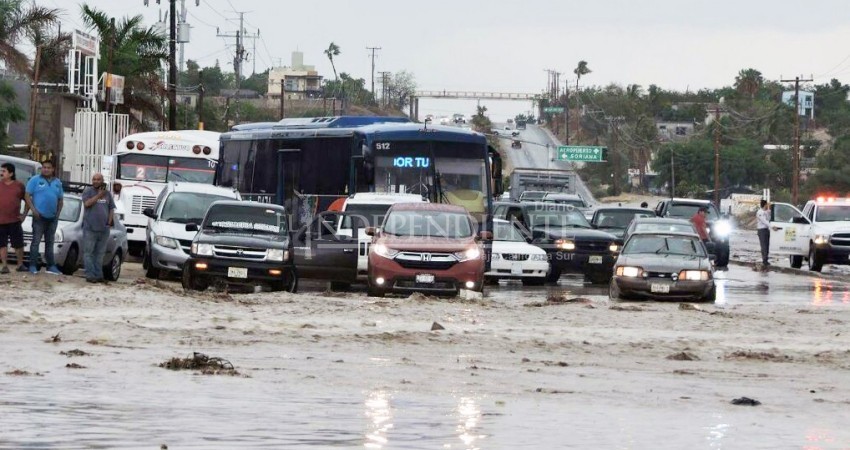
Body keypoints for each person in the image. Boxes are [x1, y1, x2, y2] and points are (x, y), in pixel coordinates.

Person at [25, 159, 63, 275]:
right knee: (36, 242)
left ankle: (51, 266)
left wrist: (57, 214)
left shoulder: (57, 182)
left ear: (53, 169)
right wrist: (33, 210)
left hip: (52, 218)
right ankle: (32, 265)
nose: (46, 169)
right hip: (39, 217)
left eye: (48, 167)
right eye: (44, 167)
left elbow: (60, 199)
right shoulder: (35, 180)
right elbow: (27, 196)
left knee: (50, 242)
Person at [81, 173, 115, 283]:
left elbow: (111, 208)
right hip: (90, 228)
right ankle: (90, 275)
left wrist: (109, 222)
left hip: (104, 229)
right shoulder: (88, 191)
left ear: (102, 180)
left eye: (98, 179)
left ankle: (98, 275)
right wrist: (99, 195)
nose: (96, 181)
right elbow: (87, 204)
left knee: (100, 254)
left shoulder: (108, 194)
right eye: (94, 179)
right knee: (88, 253)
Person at [0, 163, 28, 273]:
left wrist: (24, 215)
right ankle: (4, 266)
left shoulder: (19, 186)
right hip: (0, 221)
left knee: (18, 244)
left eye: (4, 171)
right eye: (1, 171)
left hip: (14, 220)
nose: (1, 173)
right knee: (2, 244)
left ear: (11, 173)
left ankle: (20, 265)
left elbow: (28, 201)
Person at [756, 199, 771, 266]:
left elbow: (768, 218)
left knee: (767, 245)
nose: (767, 205)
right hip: (761, 230)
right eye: (766, 204)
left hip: (766, 230)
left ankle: (766, 259)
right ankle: (764, 260)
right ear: (764, 205)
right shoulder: (760, 212)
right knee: (764, 246)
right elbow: (764, 221)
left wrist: (768, 211)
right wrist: (771, 226)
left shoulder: (765, 212)